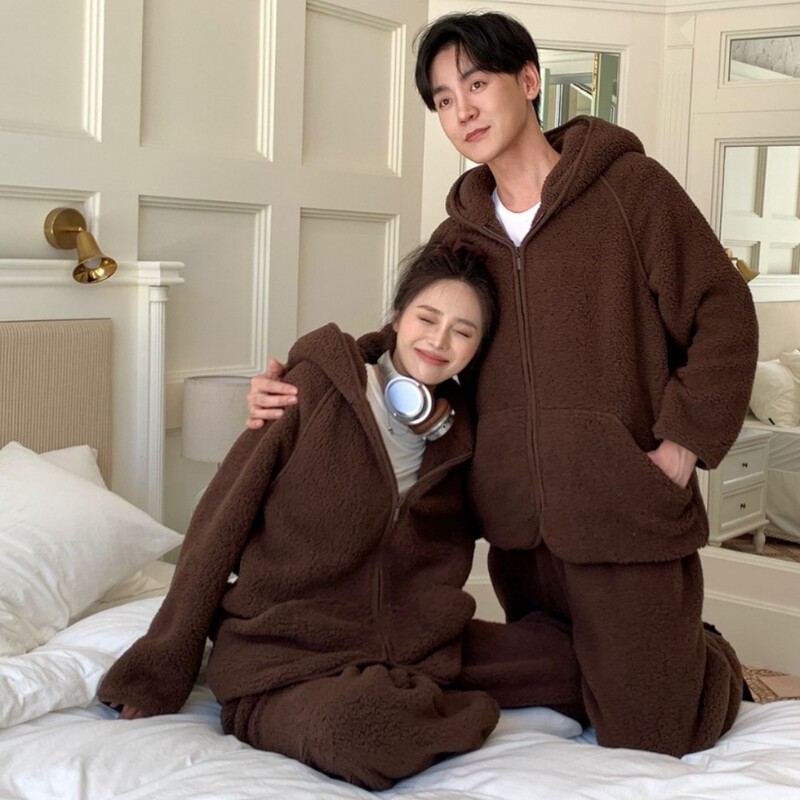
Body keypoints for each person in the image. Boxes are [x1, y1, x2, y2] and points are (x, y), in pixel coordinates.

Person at [246, 11, 759, 759]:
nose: (463, 111)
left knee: (653, 736)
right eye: (443, 100)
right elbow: (415, 343)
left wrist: (680, 448)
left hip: (624, 509)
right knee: (544, 670)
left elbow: (723, 314)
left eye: (477, 84)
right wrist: (306, 378)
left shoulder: (631, 190)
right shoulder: (462, 233)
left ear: (528, 80)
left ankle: (701, 659)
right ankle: (635, 658)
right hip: (517, 527)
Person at [98, 242, 583, 790]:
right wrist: (157, 670)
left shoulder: (463, 433)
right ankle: (420, 708)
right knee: (363, 733)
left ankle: (415, 695)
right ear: (396, 318)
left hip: (417, 643)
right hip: (286, 656)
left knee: (585, 664)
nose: (439, 341)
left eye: (463, 332)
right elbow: (216, 528)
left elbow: (516, 516)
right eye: (427, 319)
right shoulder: (309, 391)